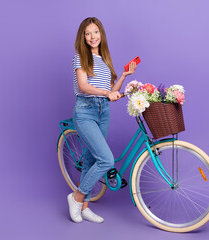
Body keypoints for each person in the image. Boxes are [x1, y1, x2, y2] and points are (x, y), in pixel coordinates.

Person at [67, 17, 137, 223]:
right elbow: (84, 86)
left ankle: (85, 208)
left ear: (101, 34)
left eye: (95, 32)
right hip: (85, 111)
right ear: (83, 37)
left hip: (103, 112)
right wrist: (107, 93)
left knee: (91, 160)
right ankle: (76, 197)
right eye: (87, 33)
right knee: (105, 160)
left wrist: (123, 76)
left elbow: (111, 92)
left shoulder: (105, 60)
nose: (92, 37)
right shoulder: (79, 57)